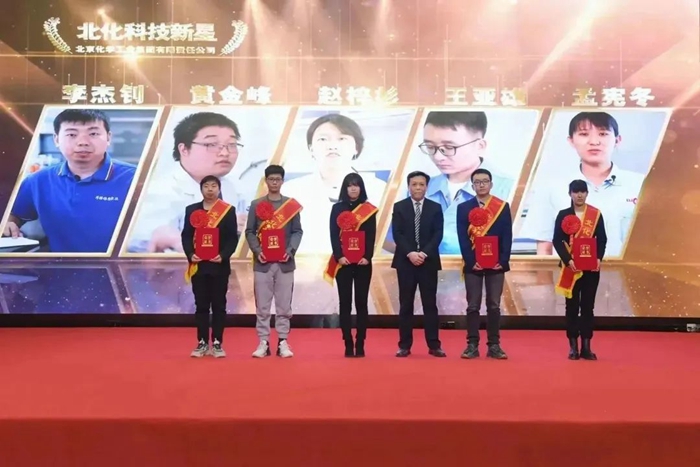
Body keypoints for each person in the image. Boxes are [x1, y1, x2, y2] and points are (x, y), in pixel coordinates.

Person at [3, 109, 137, 253]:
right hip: (60, 265)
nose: (83, 142)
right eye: (72, 134)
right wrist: (8, 223)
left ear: (108, 138)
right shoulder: (38, 181)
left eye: (93, 134)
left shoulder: (134, 178)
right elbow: (14, 214)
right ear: (56, 140)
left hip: (120, 265)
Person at [385, 111, 513, 255]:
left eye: (449, 148)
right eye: (430, 147)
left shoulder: (509, 191)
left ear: (480, 146)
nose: (438, 156)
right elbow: (389, 239)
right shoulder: (418, 188)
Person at [519, 111, 642, 257]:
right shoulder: (551, 188)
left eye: (603, 134)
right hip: (570, 271)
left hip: (627, 271)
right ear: (571, 141)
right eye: (584, 134)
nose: (594, 141)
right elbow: (545, 250)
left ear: (617, 140)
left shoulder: (642, 185)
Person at [128, 112, 249, 253]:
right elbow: (145, 239)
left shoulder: (236, 187)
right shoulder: (159, 191)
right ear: (184, 149)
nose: (225, 153)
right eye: (211, 144)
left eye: (232, 145)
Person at [282, 113, 386, 254]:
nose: (332, 146)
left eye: (342, 139)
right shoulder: (290, 191)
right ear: (311, 148)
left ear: (356, 147)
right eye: (323, 139)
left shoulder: (380, 190)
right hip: (306, 266)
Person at [245, 165, 303, 358]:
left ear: (282, 181)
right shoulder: (256, 205)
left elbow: (297, 231)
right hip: (262, 263)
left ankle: (283, 341)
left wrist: (290, 251)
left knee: (284, 305)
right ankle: (263, 341)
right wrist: (258, 251)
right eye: (271, 179)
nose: (275, 182)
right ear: (266, 181)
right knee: (262, 306)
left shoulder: (290, 206)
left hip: (285, 263)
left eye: (278, 179)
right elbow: (250, 231)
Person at [181, 175, 239, 358]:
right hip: (199, 266)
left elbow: (232, 238)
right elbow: (186, 236)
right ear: (201, 189)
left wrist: (223, 255)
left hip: (219, 266)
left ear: (219, 189)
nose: (210, 189)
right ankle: (202, 342)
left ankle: (217, 342)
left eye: (214, 186)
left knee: (219, 305)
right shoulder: (192, 210)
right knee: (201, 306)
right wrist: (191, 254)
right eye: (206, 186)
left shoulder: (228, 211)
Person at [456, 168, 512, 359]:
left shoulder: (502, 207)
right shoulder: (464, 208)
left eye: (485, 181)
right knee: (473, 305)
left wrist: (502, 261)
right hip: (473, 265)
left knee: (494, 305)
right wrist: (471, 261)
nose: (481, 185)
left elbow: (507, 236)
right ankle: (472, 345)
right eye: (477, 182)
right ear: (472, 186)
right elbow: (463, 238)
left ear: (491, 184)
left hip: (496, 265)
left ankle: (494, 345)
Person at [391, 171, 446, 357]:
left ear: (427, 187)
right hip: (405, 262)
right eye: (414, 184)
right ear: (409, 186)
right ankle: (404, 345)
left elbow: (438, 234)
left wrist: (423, 253)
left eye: (421, 184)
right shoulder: (399, 207)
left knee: (430, 304)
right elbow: (397, 234)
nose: (418, 188)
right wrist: (410, 253)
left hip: (427, 262)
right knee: (406, 304)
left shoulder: (435, 208)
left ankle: (434, 345)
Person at [553, 179, 607, 360]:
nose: (579, 195)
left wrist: (598, 258)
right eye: (576, 192)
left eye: (582, 191)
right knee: (571, 307)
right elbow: (557, 240)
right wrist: (568, 260)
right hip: (571, 268)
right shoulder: (563, 215)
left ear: (587, 194)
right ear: (570, 194)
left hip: (591, 269)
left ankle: (586, 347)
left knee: (588, 307)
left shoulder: (595, 214)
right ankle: (573, 347)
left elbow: (602, 239)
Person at [326, 173, 378, 357]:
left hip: (363, 263)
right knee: (345, 303)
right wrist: (339, 256)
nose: (353, 188)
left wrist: (367, 256)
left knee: (361, 303)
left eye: (356, 185)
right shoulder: (337, 208)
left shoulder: (368, 209)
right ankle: (348, 342)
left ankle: (361, 342)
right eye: (350, 185)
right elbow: (333, 235)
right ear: (345, 188)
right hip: (344, 264)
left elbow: (371, 235)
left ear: (361, 188)